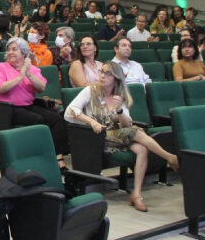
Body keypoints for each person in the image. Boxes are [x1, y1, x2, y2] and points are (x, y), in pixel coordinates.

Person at [64, 62, 179, 212]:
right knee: (136, 132)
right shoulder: (90, 90)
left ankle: (136, 194)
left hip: (117, 136)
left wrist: (119, 110)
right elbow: (70, 111)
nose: (102, 76)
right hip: (96, 138)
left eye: (107, 73)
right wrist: (91, 122)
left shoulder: (119, 96)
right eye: (101, 72)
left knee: (141, 149)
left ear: (116, 78)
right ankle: (170, 157)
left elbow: (127, 124)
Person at [0, 37, 68, 165]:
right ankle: (41, 157)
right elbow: (0, 89)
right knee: (38, 120)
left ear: (23, 53)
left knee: (56, 119)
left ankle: (58, 157)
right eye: (8, 49)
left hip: (28, 105)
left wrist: (27, 73)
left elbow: (41, 87)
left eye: (14, 49)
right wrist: (20, 76)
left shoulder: (31, 68)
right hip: (7, 108)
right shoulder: (1, 67)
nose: (10, 52)